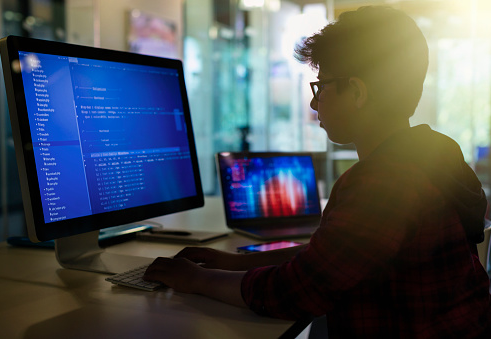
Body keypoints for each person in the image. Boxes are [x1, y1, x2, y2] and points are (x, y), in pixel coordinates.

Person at [144, 6, 491, 337]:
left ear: (356, 91)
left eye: (321, 87)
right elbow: (329, 259)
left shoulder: (384, 182)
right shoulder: (430, 155)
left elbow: (298, 291)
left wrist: (197, 281)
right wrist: (231, 263)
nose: (314, 103)